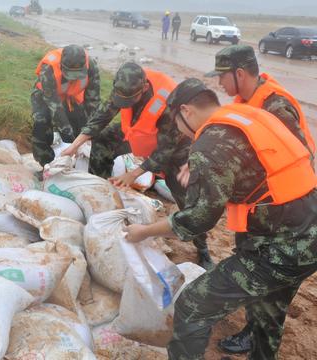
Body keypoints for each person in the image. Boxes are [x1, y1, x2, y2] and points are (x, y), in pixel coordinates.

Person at [125, 78, 317, 359]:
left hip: (279, 250)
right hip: (308, 232)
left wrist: (144, 231)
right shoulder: (251, 115)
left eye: (176, 124)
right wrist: (210, 170)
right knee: (267, 312)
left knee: (192, 304)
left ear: (186, 111)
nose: (181, 133)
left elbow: (198, 220)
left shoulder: (210, 145)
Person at [203, 44, 316, 354]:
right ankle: (254, 330)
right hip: (262, 213)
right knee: (258, 282)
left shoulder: (275, 107)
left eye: (222, 77)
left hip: (285, 219)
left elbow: (297, 163)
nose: (219, 85)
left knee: (270, 290)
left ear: (240, 74)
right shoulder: (247, 101)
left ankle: (257, 335)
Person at [61, 62, 214, 270]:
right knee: (103, 140)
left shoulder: (167, 102)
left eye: (129, 101)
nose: (123, 104)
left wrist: (133, 174)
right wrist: (76, 144)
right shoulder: (125, 87)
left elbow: (164, 151)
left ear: (143, 88)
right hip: (137, 134)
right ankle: (100, 201)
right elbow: (102, 116)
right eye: (120, 99)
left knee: (186, 197)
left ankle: (202, 248)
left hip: (174, 149)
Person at [31, 44, 102, 167]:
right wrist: (68, 134)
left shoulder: (91, 66)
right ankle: (46, 164)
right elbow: (54, 106)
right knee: (41, 122)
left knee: (81, 125)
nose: (73, 79)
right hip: (46, 96)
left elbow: (93, 102)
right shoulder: (49, 67)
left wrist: (92, 131)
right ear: (61, 66)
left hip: (72, 96)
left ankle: (79, 163)